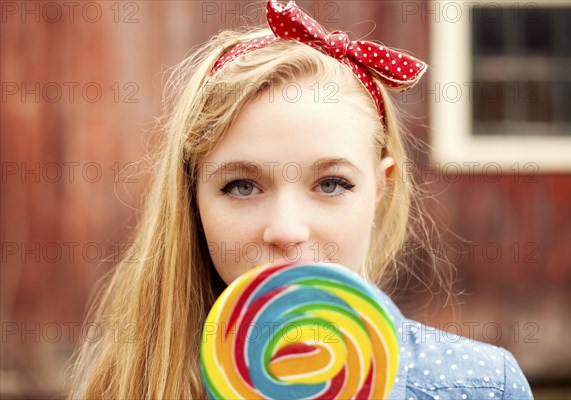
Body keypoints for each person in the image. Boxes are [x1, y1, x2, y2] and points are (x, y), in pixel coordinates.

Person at [67, 0, 533, 398]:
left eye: (331, 183)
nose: (287, 230)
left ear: (379, 190)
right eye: (242, 186)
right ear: (192, 201)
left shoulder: (481, 386)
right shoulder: (128, 385)